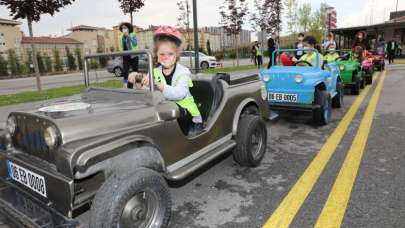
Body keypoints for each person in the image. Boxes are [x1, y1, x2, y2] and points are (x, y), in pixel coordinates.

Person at [128, 26, 203, 135]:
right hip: (165, 111)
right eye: (162, 54)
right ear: (156, 55)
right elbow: (148, 90)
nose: (166, 57)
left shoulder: (183, 72)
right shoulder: (154, 72)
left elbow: (179, 94)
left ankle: (193, 128)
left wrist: (160, 86)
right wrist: (138, 81)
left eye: (170, 54)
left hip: (186, 114)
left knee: (175, 109)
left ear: (176, 54)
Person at [118, 22, 139, 88]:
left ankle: (136, 85)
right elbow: (120, 46)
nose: (123, 29)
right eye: (122, 28)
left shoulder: (133, 34)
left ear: (129, 28)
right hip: (125, 56)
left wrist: (128, 36)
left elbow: (135, 43)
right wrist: (121, 53)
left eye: (125, 28)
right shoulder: (120, 36)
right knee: (125, 71)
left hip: (134, 56)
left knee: (135, 72)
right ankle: (126, 86)